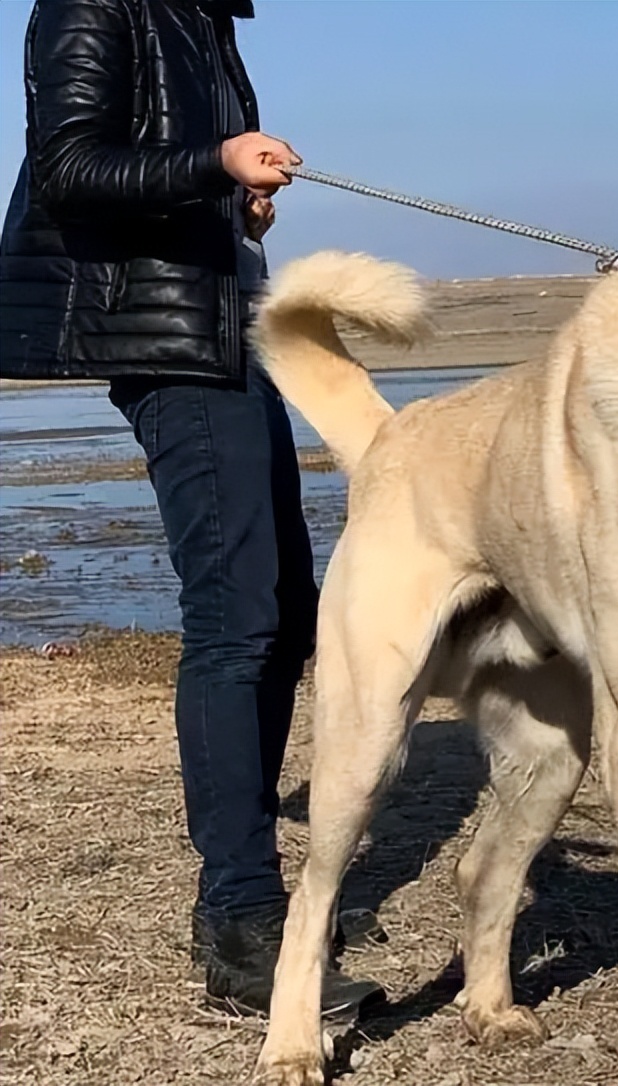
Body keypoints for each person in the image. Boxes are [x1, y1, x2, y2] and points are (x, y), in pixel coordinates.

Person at [0, 0, 382, 1018]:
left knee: (287, 611)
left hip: (224, 320)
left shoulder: (200, 19)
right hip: (159, 336)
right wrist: (217, 161)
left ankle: (254, 884)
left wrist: (233, 204)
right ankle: (241, 922)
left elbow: (162, 170)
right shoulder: (93, 1)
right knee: (236, 619)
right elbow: (69, 167)